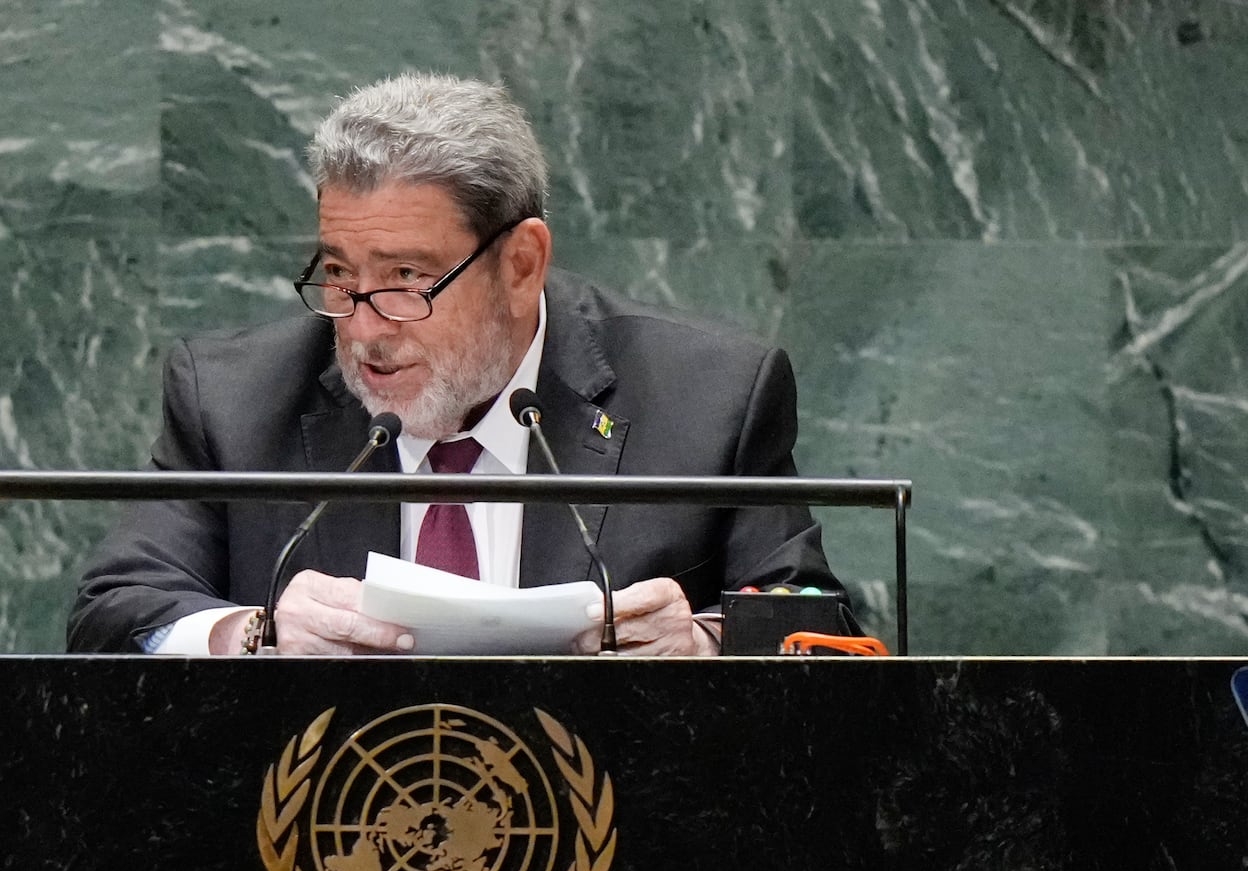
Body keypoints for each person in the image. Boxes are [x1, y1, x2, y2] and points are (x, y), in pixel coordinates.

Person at [68, 73, 846, 656]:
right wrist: (251, 631)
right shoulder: (233, 399)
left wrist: (708, 638)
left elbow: (820, 620)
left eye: (407, 280)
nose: (364, 328)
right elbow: (112, 610)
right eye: (339, 273)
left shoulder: (710, 398)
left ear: (521, 264)